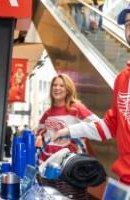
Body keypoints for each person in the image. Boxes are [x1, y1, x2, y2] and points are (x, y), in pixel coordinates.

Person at [52, 6, 130, 186]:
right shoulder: (122, 79)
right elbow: (111, 125)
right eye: (127, 24)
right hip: (124, 182)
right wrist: (70, 131)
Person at [36, 74, 99, 164]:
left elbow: (98, 125)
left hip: (72, 161)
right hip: (48, 160)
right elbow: (40, 132)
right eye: (54, 85)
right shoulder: (48, 113)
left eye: (62, 85)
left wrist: (76, 134)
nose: (57, 88)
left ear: (68, 90)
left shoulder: (77, 109)